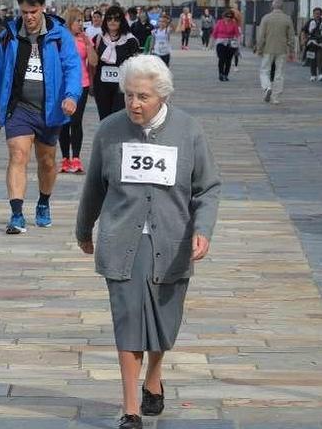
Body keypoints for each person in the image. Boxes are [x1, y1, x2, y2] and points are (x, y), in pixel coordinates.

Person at [76, 55, 221, 429]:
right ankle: (130, 409)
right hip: (122, 240)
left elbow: (207, 189)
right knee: (128, 322)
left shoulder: (188, 130)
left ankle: (154, 377)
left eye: (142, 97)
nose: (134, 104)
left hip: (172, 242)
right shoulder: (109, 130)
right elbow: (94, 186)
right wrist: (83, 229)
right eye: (128, 96)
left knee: (163, 324)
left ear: (162, 96)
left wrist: (202, 230)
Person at [0, 0, 82, 233]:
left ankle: (43, 202)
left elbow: (73, 68)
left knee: (47, 161)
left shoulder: (59, 35)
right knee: (18, 155)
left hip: (50, 110)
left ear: (42, 8)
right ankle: (16, 214)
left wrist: (71, 96)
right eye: (24, 11)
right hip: (19, 108)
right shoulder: (9, 36)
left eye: (33, 11)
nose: (29, 16)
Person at [59, 7, 97, 174]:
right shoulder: (61, 39)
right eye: (78, 21)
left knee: (76, 121)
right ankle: (65, 158)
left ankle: (76, 157)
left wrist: (88, 44)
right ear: (69, 22)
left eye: (82, 21)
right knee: (63, 123)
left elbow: (94, 62)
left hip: (82, 84)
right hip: (63, 85)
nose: (81, 24)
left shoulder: (85, 39)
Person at [93, 5, 141, 120]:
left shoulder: (130, 40)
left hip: (122, 87)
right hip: (101, 86)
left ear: (122, 21)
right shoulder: (98, 38)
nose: (112, 21)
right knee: (104, 119)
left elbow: (135, 66)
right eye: (109, 18)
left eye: (116, 19)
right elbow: (93, 62)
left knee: (118, 118)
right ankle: (105, 138)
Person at [255, 0, 295, 104]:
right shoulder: (287, 19)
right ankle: (276, 97)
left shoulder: (266, 18)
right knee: (279, 73)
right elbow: (291, 37)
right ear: (282, 7)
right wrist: (291, 51)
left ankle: (267, 87)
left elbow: (261, 36)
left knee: (264, 71)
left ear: (272, 7)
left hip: (268, 49)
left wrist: (259, 49)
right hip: (282, 49)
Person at [301, 7, 322, 81]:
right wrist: (303, 40)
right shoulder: (310, 22)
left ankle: (321, 74)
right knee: (312, 59)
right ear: (313, 14)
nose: (317, 15)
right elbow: (304, 31)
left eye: (319, 13)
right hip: (311, 43)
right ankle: (313, 75)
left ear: (321, 14)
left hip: (321, 43)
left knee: (320, 58)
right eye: (316, 13)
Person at [211, 10, 241, 82]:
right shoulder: (219, 22)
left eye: (230, 17)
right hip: (220, 42)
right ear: (224, 16)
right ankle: (221, 74)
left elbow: (237, 34)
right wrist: (211, 43)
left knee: (228, 60)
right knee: (221, 58)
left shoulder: (234, 23)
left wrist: (238, 44)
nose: (228, 18)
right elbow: (214, 33)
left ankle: (226, 75)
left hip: (230, 43)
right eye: (227, 16)